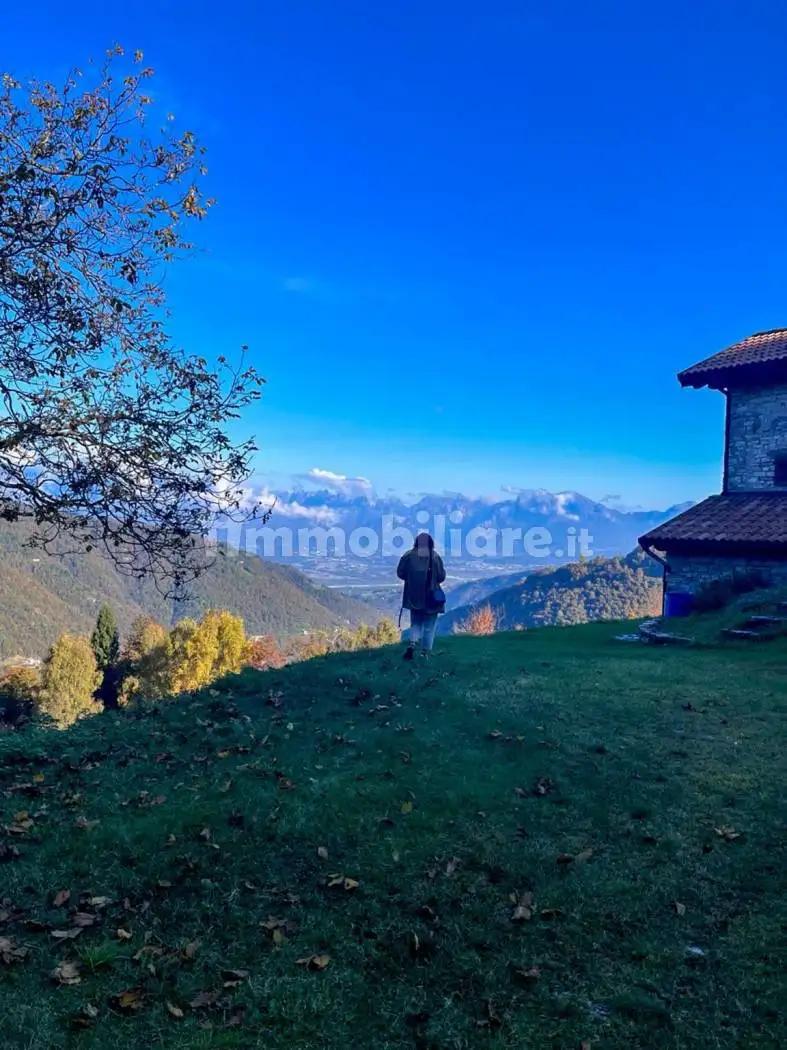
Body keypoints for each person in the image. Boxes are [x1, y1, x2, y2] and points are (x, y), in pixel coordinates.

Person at [397, 532, 446, 660]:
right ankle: (425, 653)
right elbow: (441, 577)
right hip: (431, 597)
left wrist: (412, 578)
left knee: (416, 623)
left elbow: (400, 573)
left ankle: (413, 644)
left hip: (413, 596)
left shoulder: (408, 556)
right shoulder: (434, 557)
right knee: (429, 626)